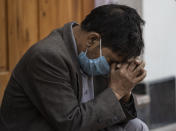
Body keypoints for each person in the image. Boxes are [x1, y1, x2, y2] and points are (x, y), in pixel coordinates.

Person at [0, 4, 149, 131]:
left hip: (83, 124)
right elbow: (71, 124)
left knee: (136, 127)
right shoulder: (47, 57)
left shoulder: (95, 53)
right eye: (111, 61)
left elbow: (114, 116)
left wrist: (125, 90)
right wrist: (116, 90)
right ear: (92, 40)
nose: (112, 68)